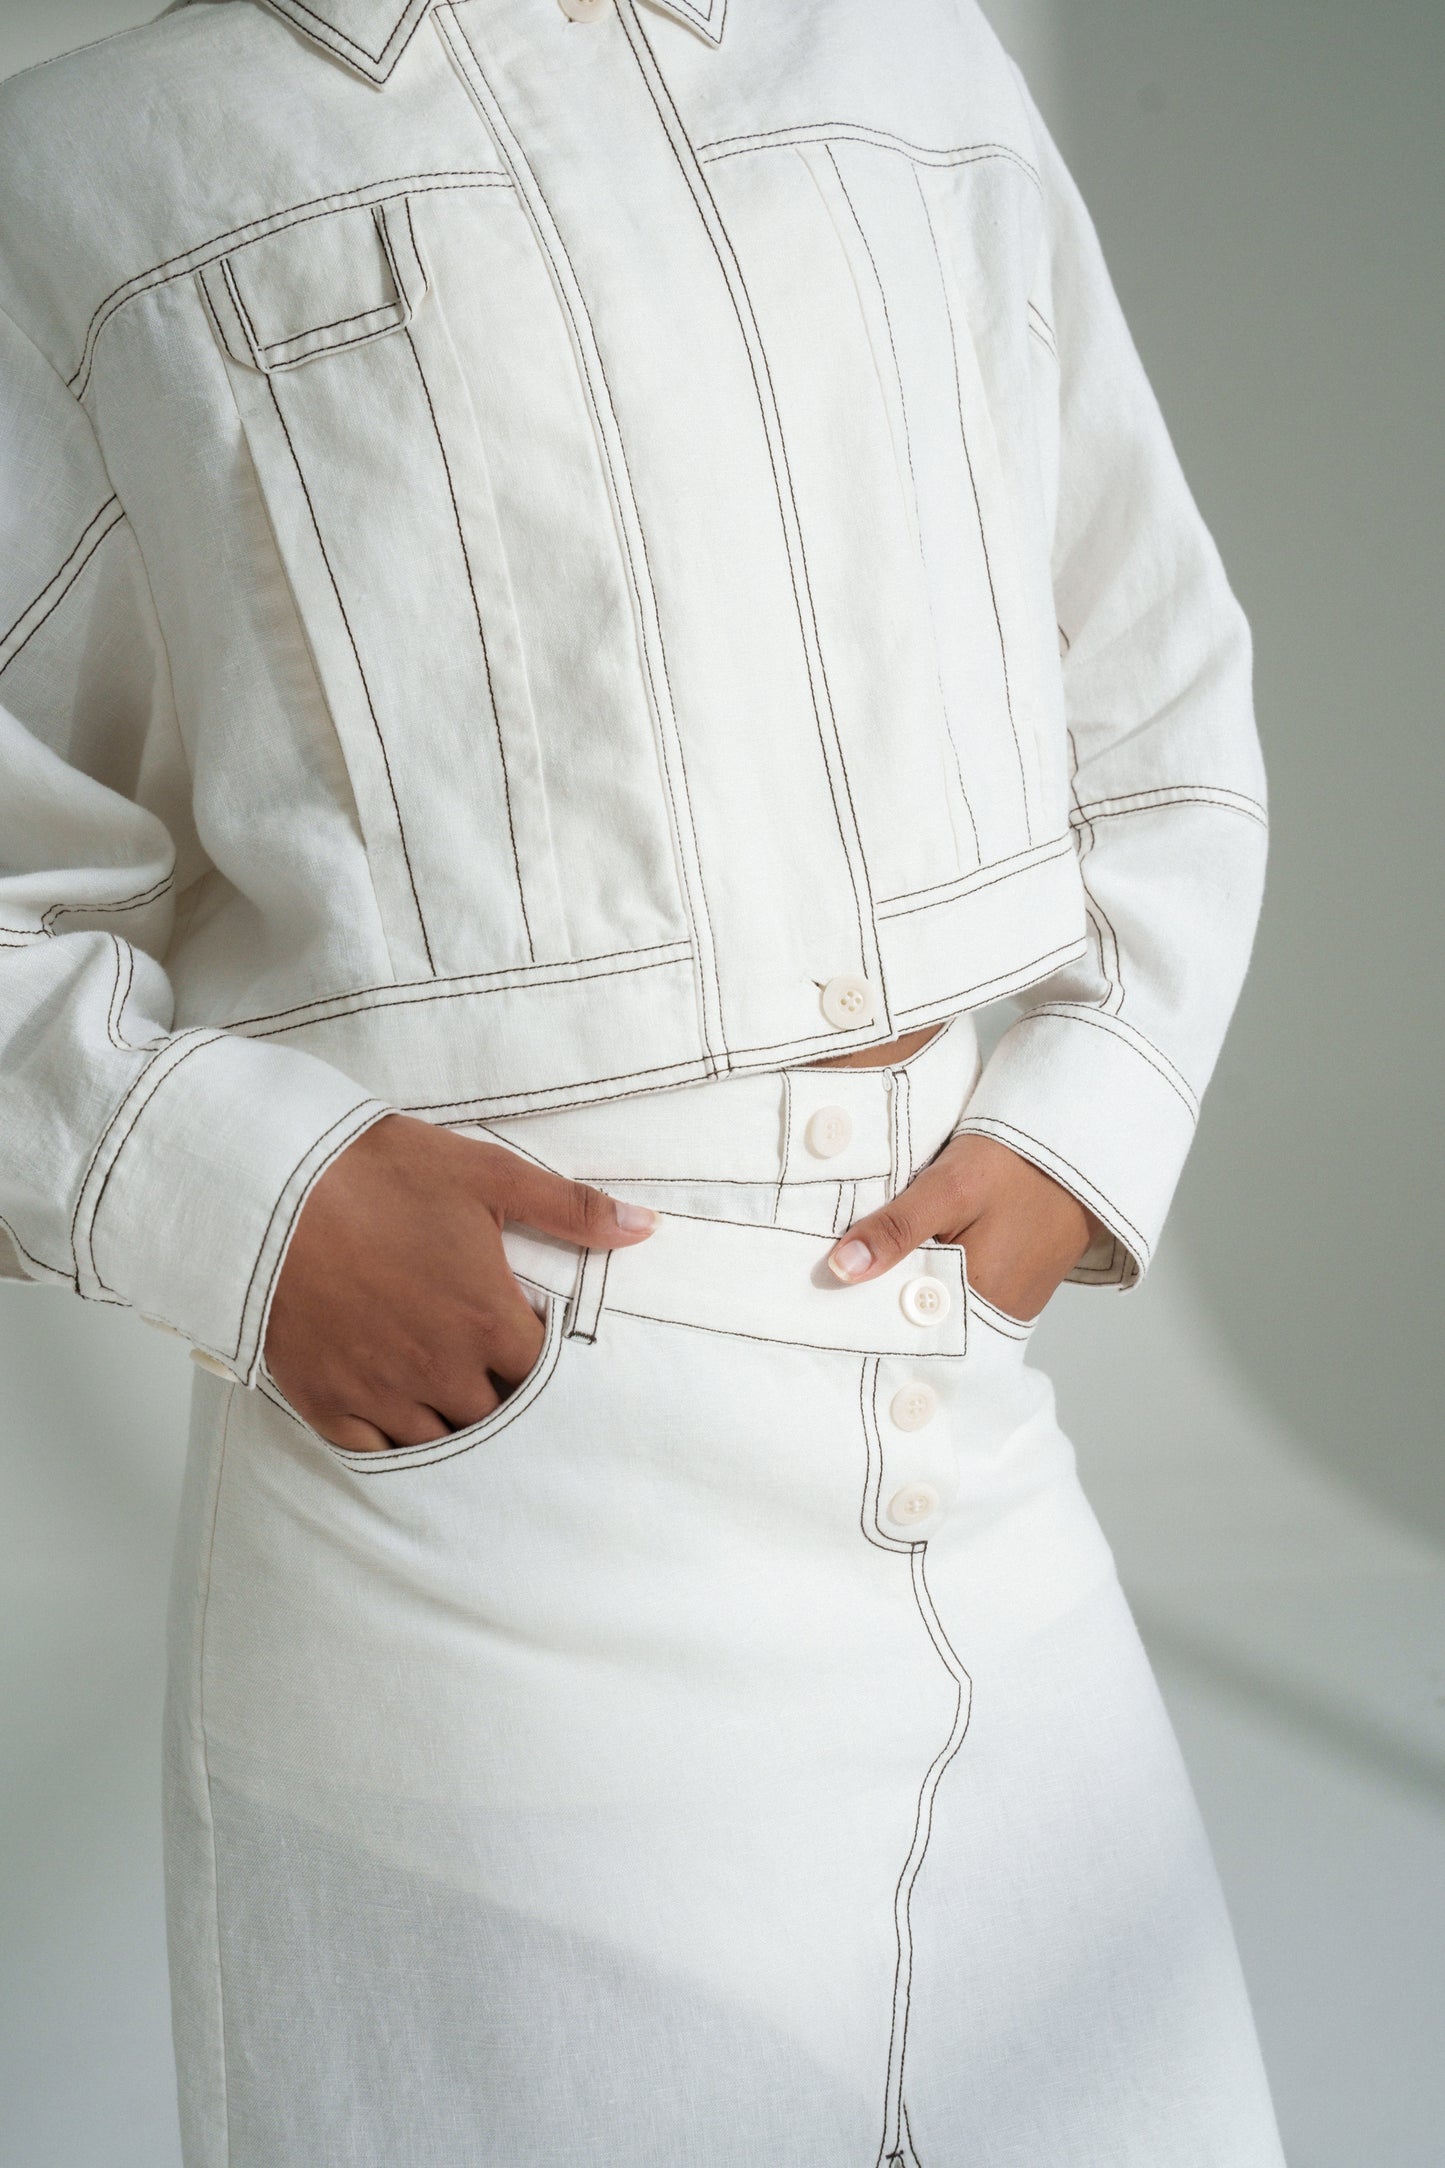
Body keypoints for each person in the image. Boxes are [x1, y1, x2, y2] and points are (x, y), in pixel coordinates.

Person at [0, 0, 1286, 2161]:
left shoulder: (911, 66)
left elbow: (1157, 684)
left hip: (959, 1442)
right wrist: (245, 1202)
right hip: (480, 1502)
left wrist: (1089, 1106)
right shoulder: (98, 163)